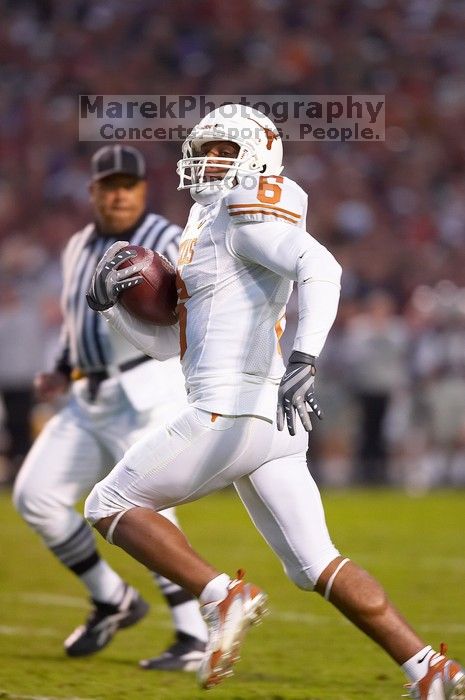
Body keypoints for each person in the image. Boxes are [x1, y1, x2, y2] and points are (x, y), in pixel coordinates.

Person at [84, 108, 464, 698]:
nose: (208, 161)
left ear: (257, 154)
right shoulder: (206, 223)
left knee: (108, 503)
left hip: (232, 406)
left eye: (221, 150)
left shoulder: (244, 210)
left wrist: (307, 359)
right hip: (272, 423)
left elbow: (322, 266)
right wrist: (112, 307)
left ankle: (221, 596)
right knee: (317, 565)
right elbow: (167, 344)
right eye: (202, 149)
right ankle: (428, 669)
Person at [13, 145, 207, 671]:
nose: (119, 194)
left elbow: (186, 306)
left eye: (129, 185)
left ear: (143, 189)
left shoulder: (168, 238)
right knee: (36, 497)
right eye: (109, 185)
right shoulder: (77, 244)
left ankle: (194, 636)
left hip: (146, 389)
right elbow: (78, 319)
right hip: (87, 394)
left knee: (146, 510)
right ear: (94, 191)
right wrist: (60, 363)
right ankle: (112, 598)